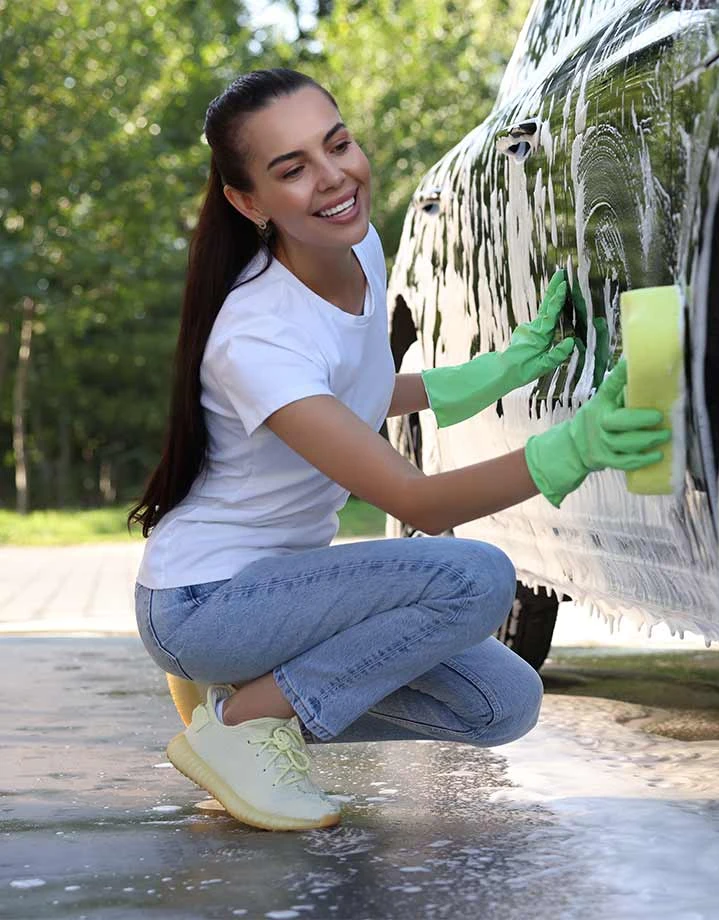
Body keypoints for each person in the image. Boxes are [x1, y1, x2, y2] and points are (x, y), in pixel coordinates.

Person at [126, 68, 669, 832]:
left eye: (337, 144)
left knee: (502, 704)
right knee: (475, 576)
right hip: (206, 604)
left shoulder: (359, 249)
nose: (333, 177)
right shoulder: (255, 333)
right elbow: (413, 501)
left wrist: (493, 373)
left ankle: (245, 706)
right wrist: (569, 450)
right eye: (293, 169)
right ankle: (247, 720)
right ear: (247, 202)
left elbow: (350, 398)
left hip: (288, 597)